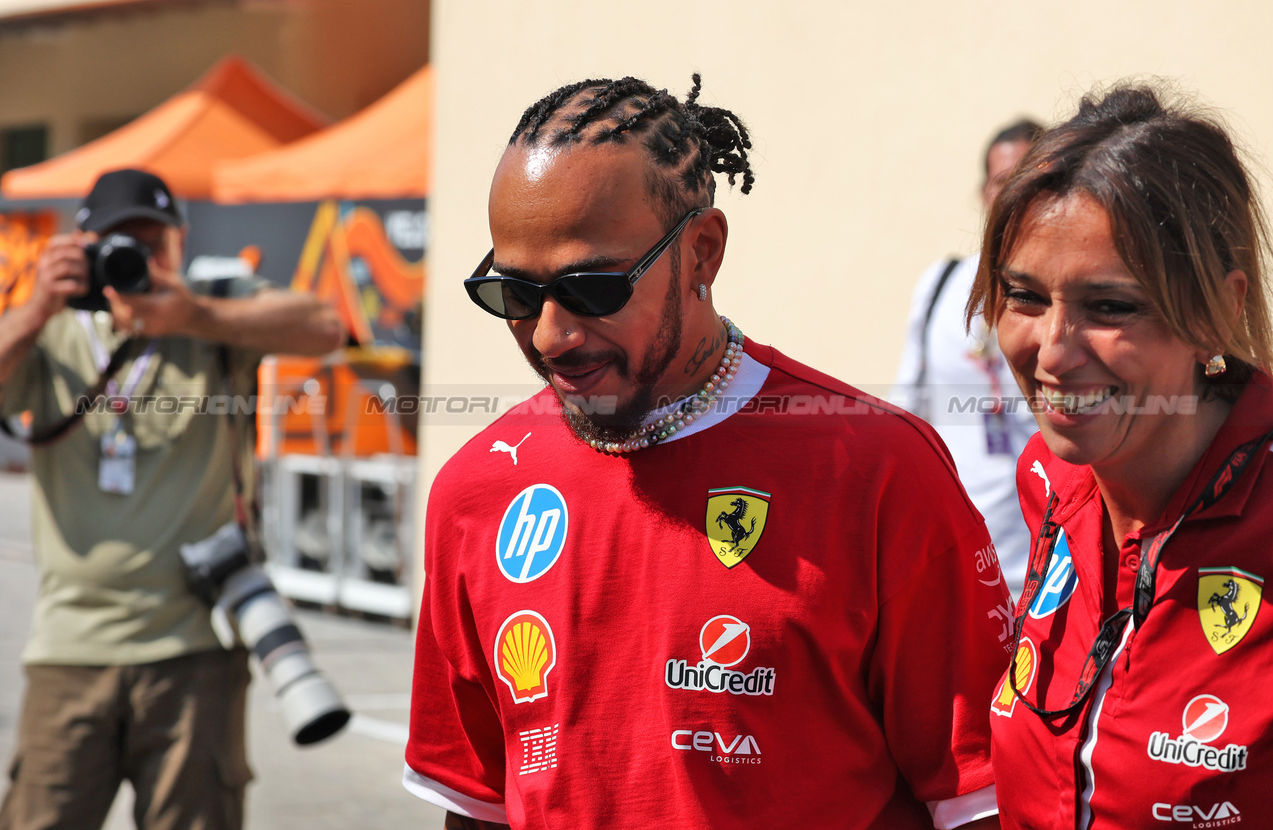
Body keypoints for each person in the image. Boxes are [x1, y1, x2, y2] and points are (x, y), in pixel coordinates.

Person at [404, 75, 1011, 829]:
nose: (552, 334)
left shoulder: (880, 471)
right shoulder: (475, 492)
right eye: (515, 294)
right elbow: (476, 805)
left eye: (592, 288)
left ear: (701, 253)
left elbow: (978, 802)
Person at [0, 168, 343, 830]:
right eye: (119, 244)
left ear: (181, 242)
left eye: (153, 244)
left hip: (193, 647)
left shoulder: (211, 305)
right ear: (84, 247)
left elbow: (326, 326)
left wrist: (196, 315)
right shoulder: (55, 328)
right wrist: (37, 305)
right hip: (70, 645)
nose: (139, 260)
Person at [971, 85, 1273, 827]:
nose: (1052, 351)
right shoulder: (1050, 478)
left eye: (1109, 307)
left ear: (1217, 312)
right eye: (1025, 296)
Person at [891, 119, 1042, 598]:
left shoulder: (1069, 298)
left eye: (1031, 180)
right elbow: (906, 416)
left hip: (1051, 563)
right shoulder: (941, 285)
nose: (1015, 196)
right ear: (984, 193)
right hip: (955, 563)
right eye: (1003, 182)